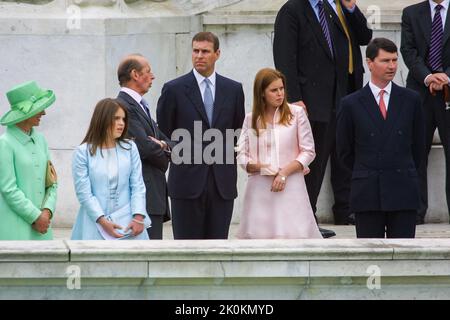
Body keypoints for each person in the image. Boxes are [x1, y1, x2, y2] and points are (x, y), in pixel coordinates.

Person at [273, 0, 372, 235]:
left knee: (333, 156)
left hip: (337, 97)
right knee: (310, 162)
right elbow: (285, 56)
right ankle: (305, 219)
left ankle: (329, 214)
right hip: (309, 100)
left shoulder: (332, 8)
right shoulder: (292, 10)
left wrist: (350, 7)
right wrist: (293, 97)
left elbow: (363, 36)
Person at [157, 31, 245, 239]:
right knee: (186, 251)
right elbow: (166, 129)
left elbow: (236, 130)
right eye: (195, 51)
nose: (199, 56)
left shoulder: (233, 89)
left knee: (218, 250)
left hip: (221, 183)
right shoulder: (173, 89)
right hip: (186, 182)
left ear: (217, 54)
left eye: (205, 51)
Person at [336, 38, 426, 238]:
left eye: (395, 60)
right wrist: (367, 171)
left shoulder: (411, 100)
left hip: (403, 191)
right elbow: (344, 151)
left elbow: (419, 147)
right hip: (367, 193)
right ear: (369, 63)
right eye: (385, 61)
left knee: (404, 258)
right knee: (370, 258)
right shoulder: (350, 104)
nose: (392, 66)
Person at [236, 68, 322, 239]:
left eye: (282, 89)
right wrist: (256, 166)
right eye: (274, 90)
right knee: (258, 240)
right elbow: (241, 152)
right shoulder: (251, 118)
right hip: (259, 189)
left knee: (295, 236)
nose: (280, 94)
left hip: (291, 186)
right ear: (262, 93)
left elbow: (308, 151)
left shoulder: (296, 114)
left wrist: (283, 173)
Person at [71, 98, 151, 240]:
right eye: (116, 118)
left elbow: (138, 185)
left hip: (129, 224)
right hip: (94, 223)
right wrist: (102, 221)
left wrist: (138, 217)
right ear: (102, 119)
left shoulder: (130, 147)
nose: (122, 123)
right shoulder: (82, 152)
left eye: (123, 119)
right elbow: (84, 193)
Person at [401, 0, 450, 225]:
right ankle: (416, 211)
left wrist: (446, 78)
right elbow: (408, 51)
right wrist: (429, 77)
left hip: (449, 93)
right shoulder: (411, 13)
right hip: (420, 93)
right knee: (416, 153)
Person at [116, 54, 173, 240]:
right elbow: (146, 148)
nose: (153, 77)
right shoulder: (124, 106)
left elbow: (167, 140)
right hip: (142, 200)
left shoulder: (140, 106)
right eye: (148, 72)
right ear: (135, 74)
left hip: (152, 196)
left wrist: (163, 144)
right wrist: (165, 151)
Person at [0, 80, 57, 240]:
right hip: (15, 228)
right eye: (39, 109)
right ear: (24, 113)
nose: (44, 113)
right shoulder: (4, 143)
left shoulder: (41, 140)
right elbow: (8, 189)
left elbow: (52, 182)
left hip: (43, 227)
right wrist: (35, 217)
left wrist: (47, 211)